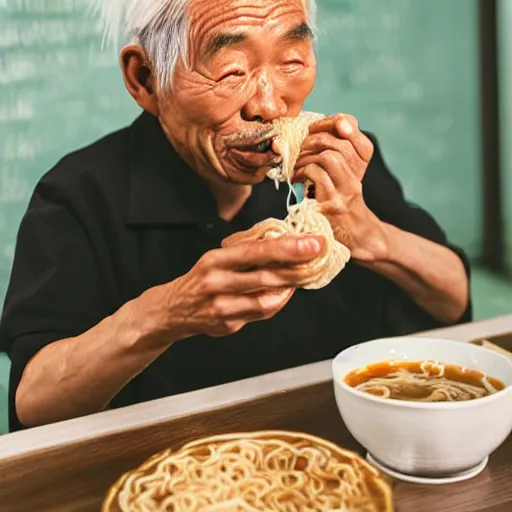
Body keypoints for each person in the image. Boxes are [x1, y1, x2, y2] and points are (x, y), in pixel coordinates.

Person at [0, 0, 471, 432]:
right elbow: (34, 402)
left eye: (292, 61)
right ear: (145, 79)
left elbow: (454, 299)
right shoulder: (77, 196)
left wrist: (369, 235)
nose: (267, 105)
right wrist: (169, 311)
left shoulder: (335, 164)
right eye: (230, 71)